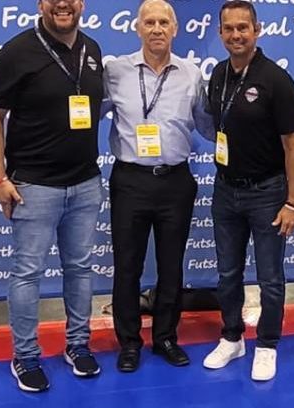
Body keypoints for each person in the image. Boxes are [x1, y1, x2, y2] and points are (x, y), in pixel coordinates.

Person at [0, 0, 104, 392]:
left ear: (81, 4)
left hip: (85, 182)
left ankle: (78, 345)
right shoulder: (17, 51)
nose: (63, 4)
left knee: (80, 268)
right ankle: (26, 355)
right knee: (27, 273)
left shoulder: (92, 49)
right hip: (34, 186)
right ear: (41, 4)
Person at [102, 0, 213, 373]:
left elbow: (207, 124)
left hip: (175, 181)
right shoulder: (115, 71)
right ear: (137, 28)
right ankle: (129, 343)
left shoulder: (191, 74)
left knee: (171, 265)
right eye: (149, 22)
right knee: (127, 266)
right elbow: (87, 113)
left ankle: (166, 337)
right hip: (130, 181)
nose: (156, 29)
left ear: (175, 29)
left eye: (164, 22)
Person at [202, 0, 294, 381]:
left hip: (267, 193)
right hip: (225, 190)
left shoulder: (276, 80)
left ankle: (266, 344)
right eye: (228, 28)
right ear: (220, 33)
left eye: (242, 27)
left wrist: (293, 202)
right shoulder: (218, 74)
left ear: (257, 30)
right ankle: (232, 337)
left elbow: (293, 145)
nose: (236, 35)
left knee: (269, 277)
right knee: (227, 273)